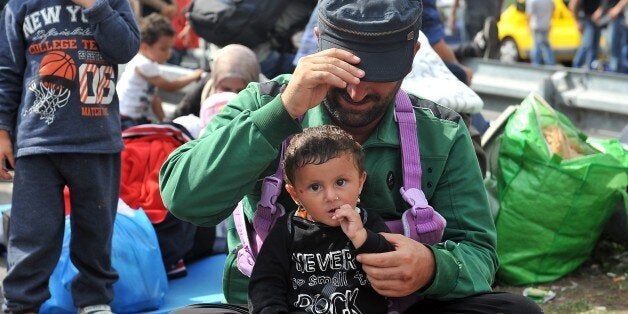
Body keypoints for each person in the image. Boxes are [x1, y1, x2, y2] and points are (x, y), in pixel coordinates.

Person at [159, 0, 542, 312]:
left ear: (412, 55)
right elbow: (185, 199)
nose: (357, 95)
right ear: (318, 41)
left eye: (377, 76)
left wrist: (431, 268)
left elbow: (478, 252)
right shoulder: (263, 104)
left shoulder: (441, 132)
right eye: (346, 73)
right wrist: (281, 113)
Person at [0, 0, 139, 312]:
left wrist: (94, 6)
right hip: (38, 141)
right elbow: (7, 72)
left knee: (96, 231)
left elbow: (126, 49)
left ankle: (94, 300)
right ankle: (21, 304)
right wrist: (1, 131)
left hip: (97, 139)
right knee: (32, 235)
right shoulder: (20, 6)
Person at [248, 125, 394, 314]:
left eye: (340, 182)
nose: (331, 196)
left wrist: (362, 237)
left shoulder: (367, 222)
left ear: (360, 182)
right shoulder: (288, 230)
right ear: (294, 194)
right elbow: (265, 282)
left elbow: (392, 266)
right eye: (315, 187)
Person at [117, 13, 203, 130]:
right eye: (163, 49)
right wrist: (194, 76)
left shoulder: (150, 64)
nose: (169, 53)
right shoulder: (143, 63)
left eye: (170, 48)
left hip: (136, 117)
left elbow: (154, 99)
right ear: (144, 47)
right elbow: (170, 86)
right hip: (125, 118)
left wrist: (165, 122)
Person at [172, 44, 261, 119]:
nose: (232, 98)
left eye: (240, 91)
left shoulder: (263, 97)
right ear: (216, 84)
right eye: (226, 89)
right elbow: (177, 117)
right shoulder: (206, 87)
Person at [570, 0, 604, 70]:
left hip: (596, 20)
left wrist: (600, 10)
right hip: (586, 19)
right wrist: (577, 22)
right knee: (587, 45)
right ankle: (576, 66)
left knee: (594, 47)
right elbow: (573, 5)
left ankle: (591, 68)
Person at [526, 0, 556, 65]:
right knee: (546, 44)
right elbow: (553, 10)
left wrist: (528, 25)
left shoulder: (533, 1)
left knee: (536, 45)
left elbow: (529, 14)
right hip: (546, 24)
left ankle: (536, 63)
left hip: (536, 25)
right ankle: (550, 63)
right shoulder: (550, 1)